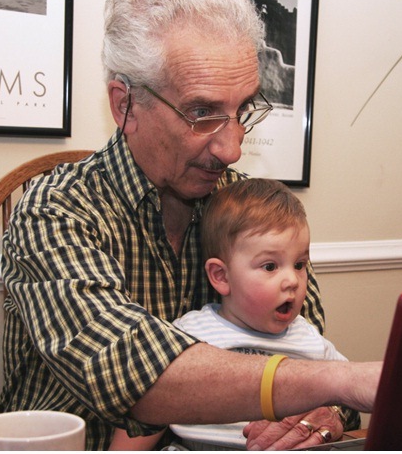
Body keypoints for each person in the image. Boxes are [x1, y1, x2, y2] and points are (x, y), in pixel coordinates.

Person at [0, 0, 381, 451]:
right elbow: (133, 371)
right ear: (125, 105)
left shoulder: (245, 209)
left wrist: (324, 413)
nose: (232, 149)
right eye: (201, 113)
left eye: (241, 111)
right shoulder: (54, 211)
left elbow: (305, 355)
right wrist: (339, 384)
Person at [110, 178, 361, 450]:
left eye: (299, 264)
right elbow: (150, 411)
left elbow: (349, 397)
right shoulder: (188, 334)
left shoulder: (310, 340)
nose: (293, 280)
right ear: (221, 276)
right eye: (269, 266)